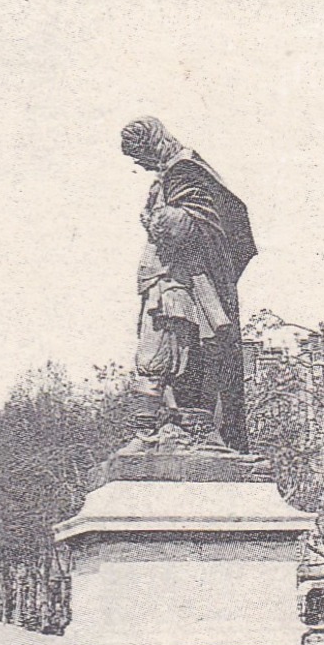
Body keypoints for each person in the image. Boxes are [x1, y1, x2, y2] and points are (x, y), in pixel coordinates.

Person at [120, 116, 257, 450]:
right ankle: (172, 430)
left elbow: (188, 226)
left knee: (171, 355)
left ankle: (175, 433)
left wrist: (155, 217)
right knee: (169, 355)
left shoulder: (185, 172)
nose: (140, 165)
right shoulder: (173, 175)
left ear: (153, 145)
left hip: (180, 283)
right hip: (165, 280)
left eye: (142, 156)